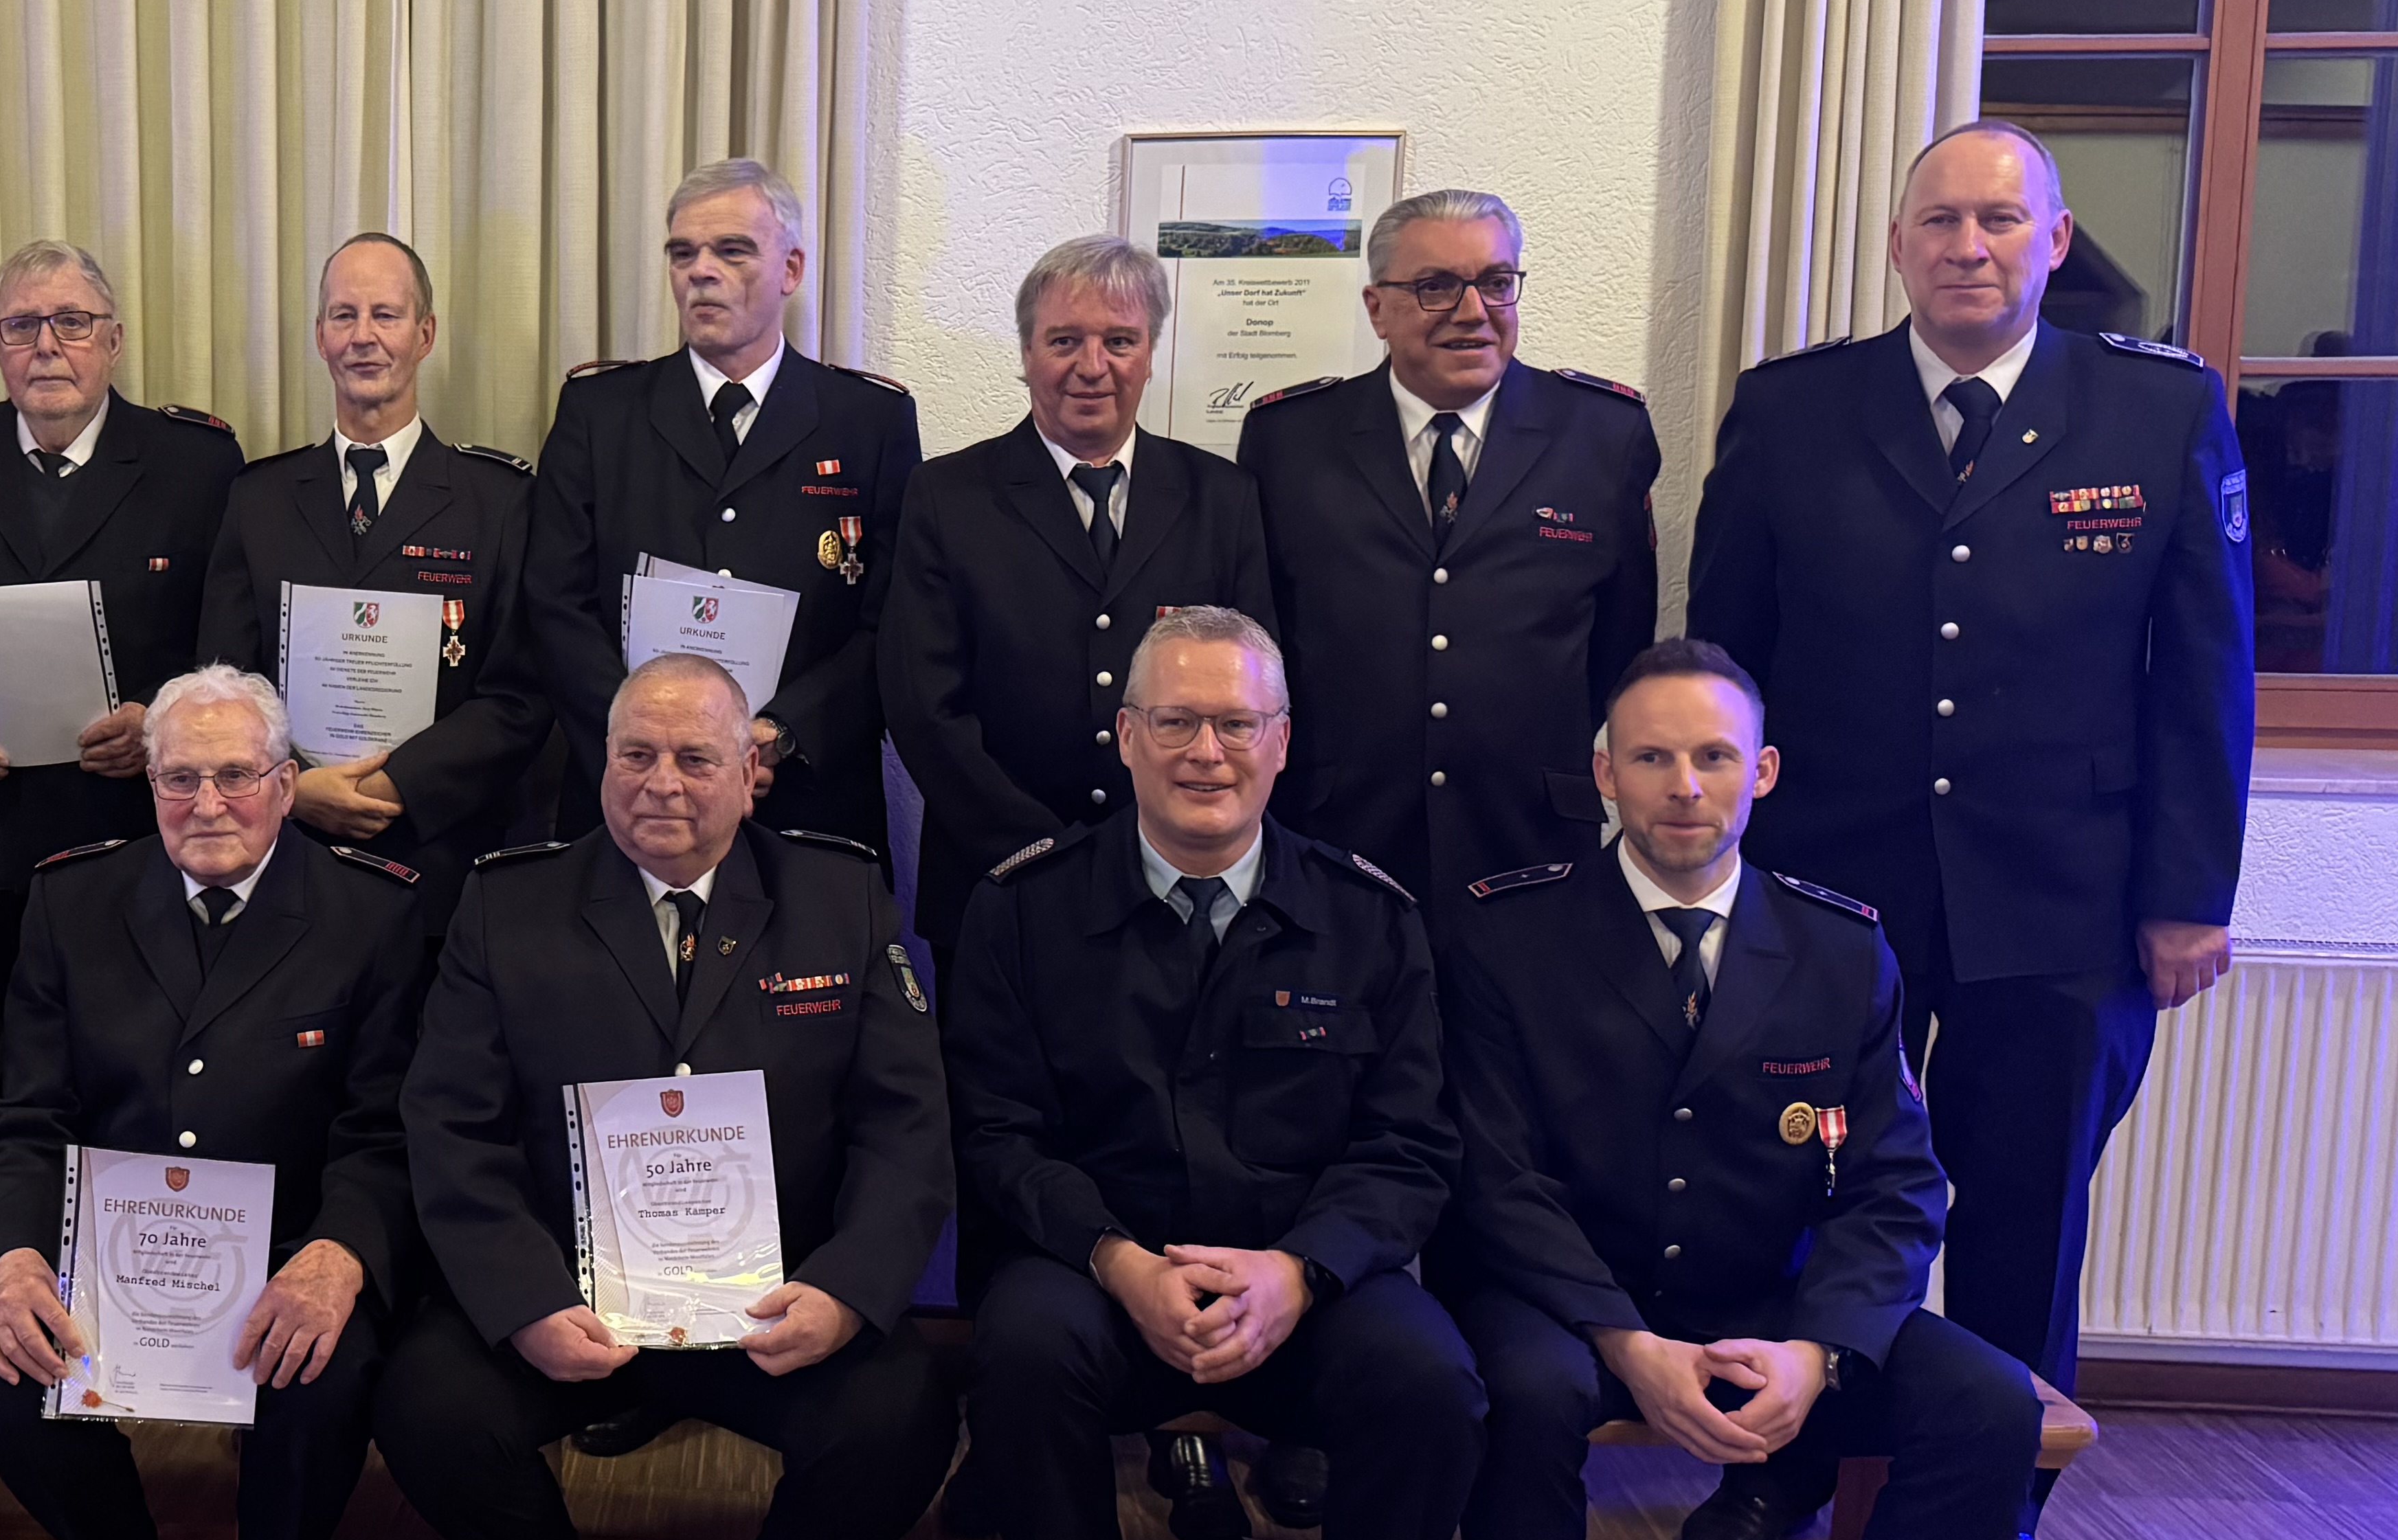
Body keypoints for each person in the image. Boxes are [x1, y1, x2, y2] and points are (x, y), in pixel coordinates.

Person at [1689, 119, 2248, 1540]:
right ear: (1898, 244)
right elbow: (1726, 655)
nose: (1969, 246)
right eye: (1939, 220)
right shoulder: (1795, 409)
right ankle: (1782, 1462)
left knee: (2023, 1207)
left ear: (2053, 243)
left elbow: (2206, 668)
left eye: (2001, 220)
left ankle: (1994, 1507)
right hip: (1830, 889)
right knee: (1791, 1184)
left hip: (2060, 895)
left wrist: (2189, 892)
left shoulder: (2156, 410)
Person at [1437, 639, 2041, 1540]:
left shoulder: (1841, 948)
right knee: (1525, 1394)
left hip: (1771, 1303)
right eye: (1652, 756)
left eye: (1713, 756)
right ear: (1604, 773)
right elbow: (1492, 1174)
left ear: (1760, 772)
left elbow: (1896, 1183)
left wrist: (1819, 1350)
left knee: (1987, 1404)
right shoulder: (1505, 932)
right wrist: (1623, 1340)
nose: (1683, 786)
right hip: (1570, 1299)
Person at [942, 607, 1480, 1540]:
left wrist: (1301, 1271)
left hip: (1302, 1289)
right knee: (1017, 1355)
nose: (1206, 751)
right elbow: (994, 1133)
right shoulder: (1020, 908)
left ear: (1282, 741)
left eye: (1236, 722)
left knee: (1432, 1385)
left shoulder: (1369, 918)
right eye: (1175, 720)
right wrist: (1116, 1258)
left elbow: (1411, 1147)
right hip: (1099, 1279)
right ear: (1125, 736)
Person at [378, 654, 958, 1540]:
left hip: (772, 1304)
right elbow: (449, 1126)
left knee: (902, 1412)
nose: (662, 782)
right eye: (635, 753)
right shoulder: (507, 904)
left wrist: (845, 1293)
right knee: (428, 1402)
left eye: (696, 757)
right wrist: (526, 1300)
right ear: (602, 762)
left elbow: (907, 1126)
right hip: (574, 1302)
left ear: (751, 772)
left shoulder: (838, 896)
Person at [0, 665, 432, 1540]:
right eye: (180, 778)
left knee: (321, 1373)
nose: (207, 803)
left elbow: (387, 1127)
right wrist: (14, 1257)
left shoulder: (374, 911)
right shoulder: (72, 902)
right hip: (111, 1251)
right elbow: (25, 1114)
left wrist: (339, 1255)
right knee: (3, 1372)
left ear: (285, 784)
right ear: (150, 784)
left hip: (290, 1245)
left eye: (235, 775)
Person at [1234, 190, 1660, 916]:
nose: (1472, 311)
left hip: (1531, 839)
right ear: (1377, 308)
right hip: (1337, 835)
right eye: (1436, 286)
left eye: (1496, 282)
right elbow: (1262, 639)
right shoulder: (1291, 440)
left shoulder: (1602, 435)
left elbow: (1622, 645)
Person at [0, 240, 248, 996]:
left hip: (135, 834)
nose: (46, 346)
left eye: (72, 322)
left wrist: (159, 720)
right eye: (21, 326)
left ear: (114, 339)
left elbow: (227, 643)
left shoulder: (196, 464)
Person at [883, 234, 1272, 954]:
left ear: (1150, 354)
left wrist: (1157, 850)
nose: (1092, 366)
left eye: (1119, 341)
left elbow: (1250, 698)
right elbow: (924, 708)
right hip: (996, 885)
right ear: (1027, 353)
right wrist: (1047, 857)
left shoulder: (1222, 499)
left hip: (1177, 887)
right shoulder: (947, 496)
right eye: (1064, 340)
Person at [520, 160, 922, 854]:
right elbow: (555, 603)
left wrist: (780, 735)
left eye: (732, 251)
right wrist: (648, 745)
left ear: (791, 269)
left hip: (806, 800)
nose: (701, 271)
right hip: (632, 802)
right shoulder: (601, 412)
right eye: (684, 253)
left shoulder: (867, 422)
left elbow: (891, 621)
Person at [195, 232, 550, 928]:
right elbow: (224, 679)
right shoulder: (259, 498)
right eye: (344, 315)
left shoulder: (500, 501)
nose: (364, 337)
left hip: (442, 858)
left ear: (425, 335)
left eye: (385, 315)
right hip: (287, 851)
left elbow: (519, 696)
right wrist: (294, 788)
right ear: (320, 337)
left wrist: (396, 785)